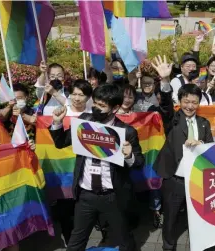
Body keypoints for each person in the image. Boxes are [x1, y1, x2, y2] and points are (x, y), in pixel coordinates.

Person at [49, 83, 145, 251]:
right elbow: (60, 142)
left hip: (113, 196)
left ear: (115, 108)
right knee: (76, 242)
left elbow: (139, 163)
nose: (96, 108)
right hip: (85, 195)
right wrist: (57, 123)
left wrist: (129, 155)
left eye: (102, 106)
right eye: (94, 103)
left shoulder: (126, 131)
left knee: (124, 240)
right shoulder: (84, 121)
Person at [151, 55, 214, 251]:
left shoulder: (204, 123)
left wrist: (201, 142)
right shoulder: (173, 120)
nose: (190, 106)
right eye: (186, 101)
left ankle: (199, 241)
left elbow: (210, 147)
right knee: (170, 215)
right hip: (174, 179)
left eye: (194, 102)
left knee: (196, 213)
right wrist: (164, 81)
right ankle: (168, 244)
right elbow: (165, 106)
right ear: (181, 101)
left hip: (196, 179)